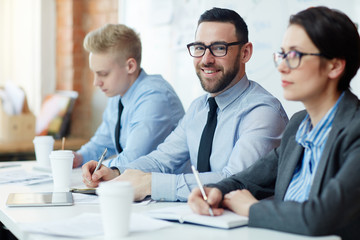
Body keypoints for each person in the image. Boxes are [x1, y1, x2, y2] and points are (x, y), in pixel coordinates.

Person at [188, 6, 360, 240]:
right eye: (282, 54)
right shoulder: (299, 125)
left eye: (295, 56)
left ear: (335, 66)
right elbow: (248, 179)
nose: (281, 66)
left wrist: (251, 209)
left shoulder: (355, 129)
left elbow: (320, 218)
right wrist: (216, 191)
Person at [82, 8, 288, 201]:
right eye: (199, 48)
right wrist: (116, 172)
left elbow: (234, 180)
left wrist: (152, 184)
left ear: (245, 53)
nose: (206, 59)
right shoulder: (199, 108)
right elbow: (161, 159)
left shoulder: (263, 112)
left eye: (219, 48)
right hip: (200, 218)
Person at [73, 24, 184, 168]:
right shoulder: (117, 94)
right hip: (137, 186)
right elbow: (102, 142)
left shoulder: (154, 97)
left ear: (130, 66)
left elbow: (132, 160)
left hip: (168, 188)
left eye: (103, 74)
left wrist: (98, 168)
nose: (96, 82)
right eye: (94, 73)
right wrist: (79, 157)